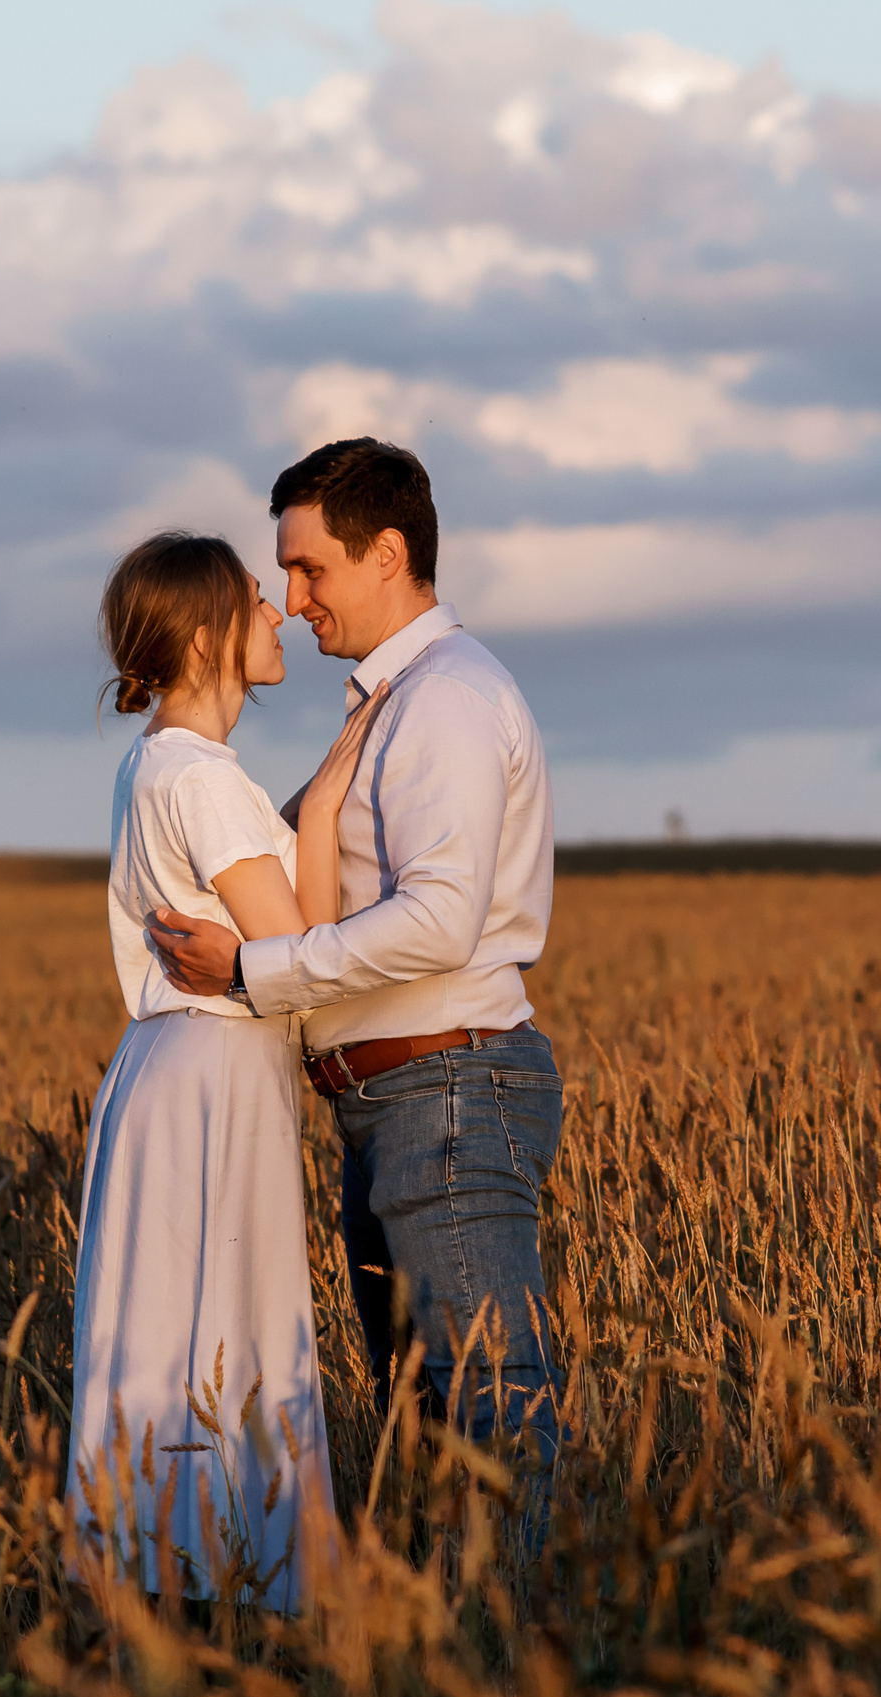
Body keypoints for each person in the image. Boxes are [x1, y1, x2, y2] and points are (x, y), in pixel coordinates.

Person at [149, 439, 564, 1473]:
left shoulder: (445, 698)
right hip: (401, 1095)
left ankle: (532, 1587)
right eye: (285, 575)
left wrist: (249, 973)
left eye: (309, 569)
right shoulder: (393, 700)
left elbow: (438, 921)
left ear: (386, 553)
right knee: (425, 1423)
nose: (292, 600)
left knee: (488, 1404)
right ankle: (452, 1583)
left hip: (446, 1086)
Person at [70, 530, 386, 1615]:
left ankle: (164, 1585)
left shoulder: (159, 761)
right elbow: (297, 950)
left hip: (175, 1064)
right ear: (206, 637)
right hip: (213, 1063)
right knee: (228, 1330)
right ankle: (241, 1589)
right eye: (257, 598)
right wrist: (328, 806)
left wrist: (310, 802)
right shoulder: (201, 777)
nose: (280, 611)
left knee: (169, 1332)